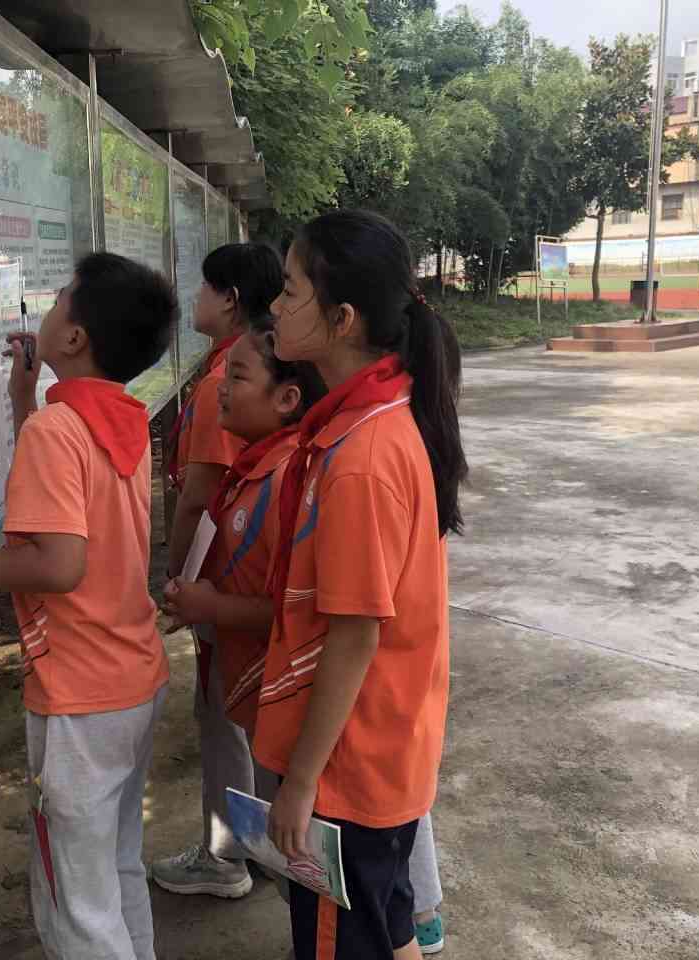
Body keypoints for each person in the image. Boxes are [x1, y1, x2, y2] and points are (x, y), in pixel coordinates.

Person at [0, 252, 176, 960]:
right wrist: (25, 400)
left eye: (58, 301)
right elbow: (65, 491)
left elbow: (58, 563)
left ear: (75, 337)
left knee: (77, 901)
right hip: (132, 676)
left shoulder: (59, 432)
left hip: (81, 695)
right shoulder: (116, 417)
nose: (45, 311)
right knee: (115, 866)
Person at [257, 209, 467, 960]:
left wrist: (300, 783)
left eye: (290, 290)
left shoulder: (362, 458)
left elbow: (353, 635)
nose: (275, 306)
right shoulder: (372, 422)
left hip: (349, 766)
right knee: (387, 927)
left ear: (342, 319)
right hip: (380, 746)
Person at [155, 242, 285, 900]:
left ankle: (228, 855)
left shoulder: (221, 382)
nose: (194, 297)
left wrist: (177, 583)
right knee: (240, 713)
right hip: (241, 576)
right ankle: (255, 850)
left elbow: (197, 496)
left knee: (224, 714)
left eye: (204, 287)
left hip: (221, 581)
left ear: (230, 298)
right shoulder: (249, 367)